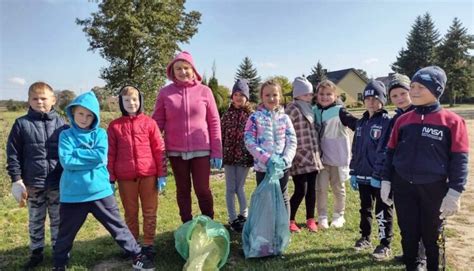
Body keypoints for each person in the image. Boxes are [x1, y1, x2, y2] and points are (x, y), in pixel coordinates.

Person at [381, 66, 469, 271]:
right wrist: (386, 180)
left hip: (434, 189)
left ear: (436, 89)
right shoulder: (402, 120)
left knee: (432, 237)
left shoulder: (452, 121)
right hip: (404, 187)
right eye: (412, 86)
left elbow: (460, 159)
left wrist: (455, 192)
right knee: (409, 235)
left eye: (421, 86)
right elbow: (390, 153)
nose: (414, 90)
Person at [53, 92, 154, 271]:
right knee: (65, 234)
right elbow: (66, 161)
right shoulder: (65, 136)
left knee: (118, 227)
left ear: (95, 117)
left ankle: (137, 256)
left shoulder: (100, 133)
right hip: (73, 194)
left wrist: (77, 153)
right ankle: (60, 264)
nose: (84, 119)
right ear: (72, 113)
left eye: (89, 115)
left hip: (100, 191)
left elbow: (100, 156)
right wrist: (87, 158)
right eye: (81, 114)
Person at [152, 51, 222, 223]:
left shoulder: (205, 91)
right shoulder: (165, 93)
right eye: (178, 69)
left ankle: (209, 223)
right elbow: (156, 124)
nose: (183, 72)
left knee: (203, 189)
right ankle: (187, 224)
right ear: (172, 72)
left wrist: (217, 151)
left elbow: (214, 121)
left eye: (186, 68)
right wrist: (148, 148)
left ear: (193, 69)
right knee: (183, 190)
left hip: (201, 150)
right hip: (176, 151)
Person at [6, 82, 68, 269]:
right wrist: (17, 179)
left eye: (43, 98)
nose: (39, 102)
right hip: (33, 184)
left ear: (53, 100)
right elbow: (13, 154)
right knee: (35, 220)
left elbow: (68, 153)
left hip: (57, 183)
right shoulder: (21, 124)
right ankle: (36, 252)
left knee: (59, 220)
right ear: (29, 101)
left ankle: (60, 253)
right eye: (35, 98)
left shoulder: (62, 125)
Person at [107, 85, 166, 259]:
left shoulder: (150, 123)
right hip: (125, 178)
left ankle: (148, 244)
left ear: (139, 101)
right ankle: (132, 244)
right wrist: (110, 178)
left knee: (149, 211)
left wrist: (162, 174)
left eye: (134, 99)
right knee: (130, 212)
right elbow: (110, 154)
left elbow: (159, 149)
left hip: (149, 176)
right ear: (121, 103)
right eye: (126, 100)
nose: (131, 103)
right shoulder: (114, 126)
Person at [349, 80, 394, 261]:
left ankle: (384, 244)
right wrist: (353, 171)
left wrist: (380, 174)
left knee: (383, 210)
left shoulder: (387, 122)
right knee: (365, 208)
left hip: (380, 177)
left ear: (382, 101)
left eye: (376, 98)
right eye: (368, 98)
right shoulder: (360, 123)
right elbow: (356, 149)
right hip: (362, 175)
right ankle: (365, 237)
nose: (371, 102)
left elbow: (385, 150)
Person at [244, 79, 297, 218]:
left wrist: (286, 159)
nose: (271, 98)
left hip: (282, 167)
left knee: (283, 196)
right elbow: (249, 141)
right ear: (262, 97)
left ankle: (282, 231)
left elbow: (292, 140)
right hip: (263, 168)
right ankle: (265, 231)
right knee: (265, 199)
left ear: (280, 96)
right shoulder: (254, 118)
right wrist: (266, 159)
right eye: (267, 95)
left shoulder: (285, 118)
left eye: (275, 94)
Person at [314, 80, 357, 229]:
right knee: (321, 188)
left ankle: (339, 216)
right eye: (321, 94)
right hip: (320, 158)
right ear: (316, 95)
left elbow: (357, 125)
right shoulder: (314, 111)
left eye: (328, 94)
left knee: (338, 188)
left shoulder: (340, 111)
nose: (324, 97)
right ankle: (322, 216)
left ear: (335, 96)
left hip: (338, 157)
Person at [285, 77, 324, 233]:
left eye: (310, 94)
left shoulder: (310, 108)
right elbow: (286, 131)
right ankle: (290, 219)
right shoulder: (292, 109)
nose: (310, 97)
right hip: (299, 157)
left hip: (313, 156)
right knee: (301, 189)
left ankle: (310, 219)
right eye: (307, 94)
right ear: (298, 94)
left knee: (312, 190)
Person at [221, 78, 254, 233]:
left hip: (244, 157)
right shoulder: (227, 115)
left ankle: (243, 215)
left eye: (242, 94)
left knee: (239, 187)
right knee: (229, 188)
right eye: (236, 94)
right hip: (228, 156)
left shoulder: (252, 116)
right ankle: (233, 217)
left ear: (247, 97)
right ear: (232, 96)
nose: (239, 97)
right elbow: (220, 133)